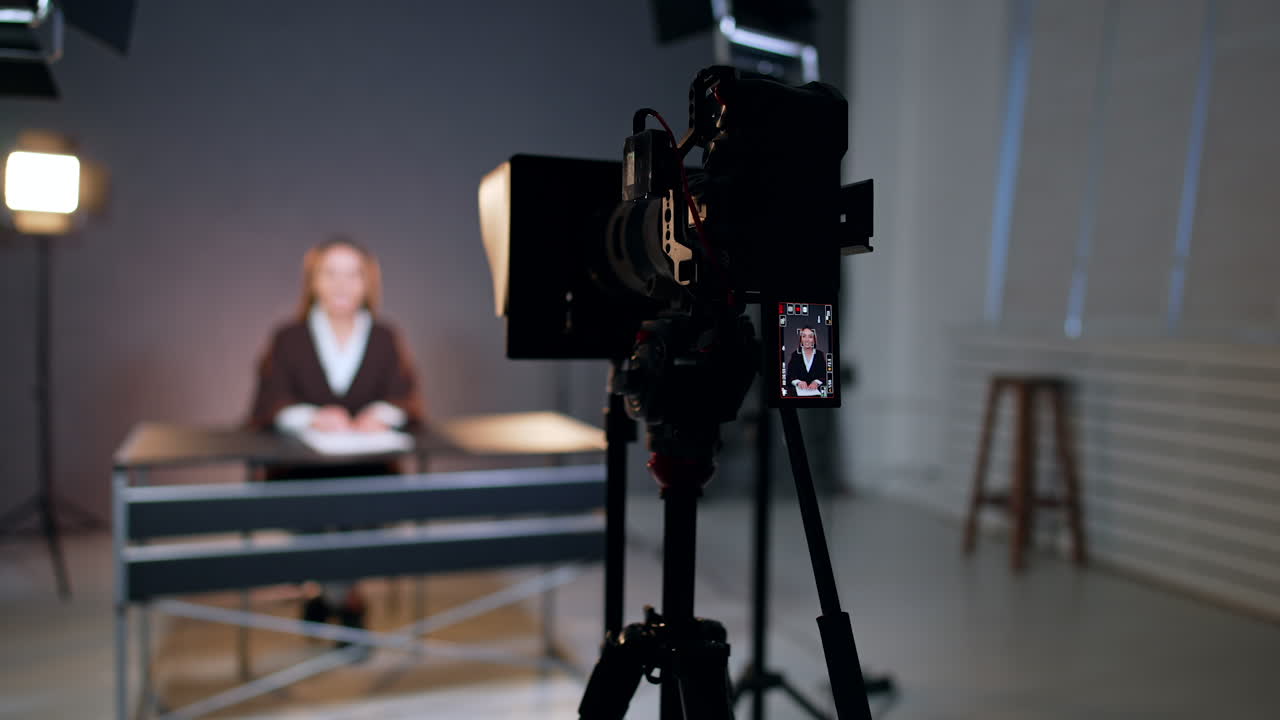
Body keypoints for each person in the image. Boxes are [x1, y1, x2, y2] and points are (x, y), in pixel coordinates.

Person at [247, 236, 425, 643]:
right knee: (317, 514)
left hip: (371, 471)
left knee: (360, 514)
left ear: (367, 283)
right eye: (331, 274)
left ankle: (330, 595)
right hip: (302, 472)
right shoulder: (288, 337)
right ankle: (345, 599)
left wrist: (377, 415)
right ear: (313, 282)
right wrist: (312, 416)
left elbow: (406, 396)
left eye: (353, 274)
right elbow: (269, 399)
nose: (342, 285)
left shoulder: (385, 336)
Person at [786, 326, 827, 397]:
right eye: (804, 336)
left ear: (814, 340)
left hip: (817, 396)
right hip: (798, 396)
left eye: (810, 337)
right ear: (801, 339)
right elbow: (789, 376)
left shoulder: (819, 355)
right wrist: (798, 382)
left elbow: (825, 375)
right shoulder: (795, 355)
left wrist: (816, 382)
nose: (807, 340)